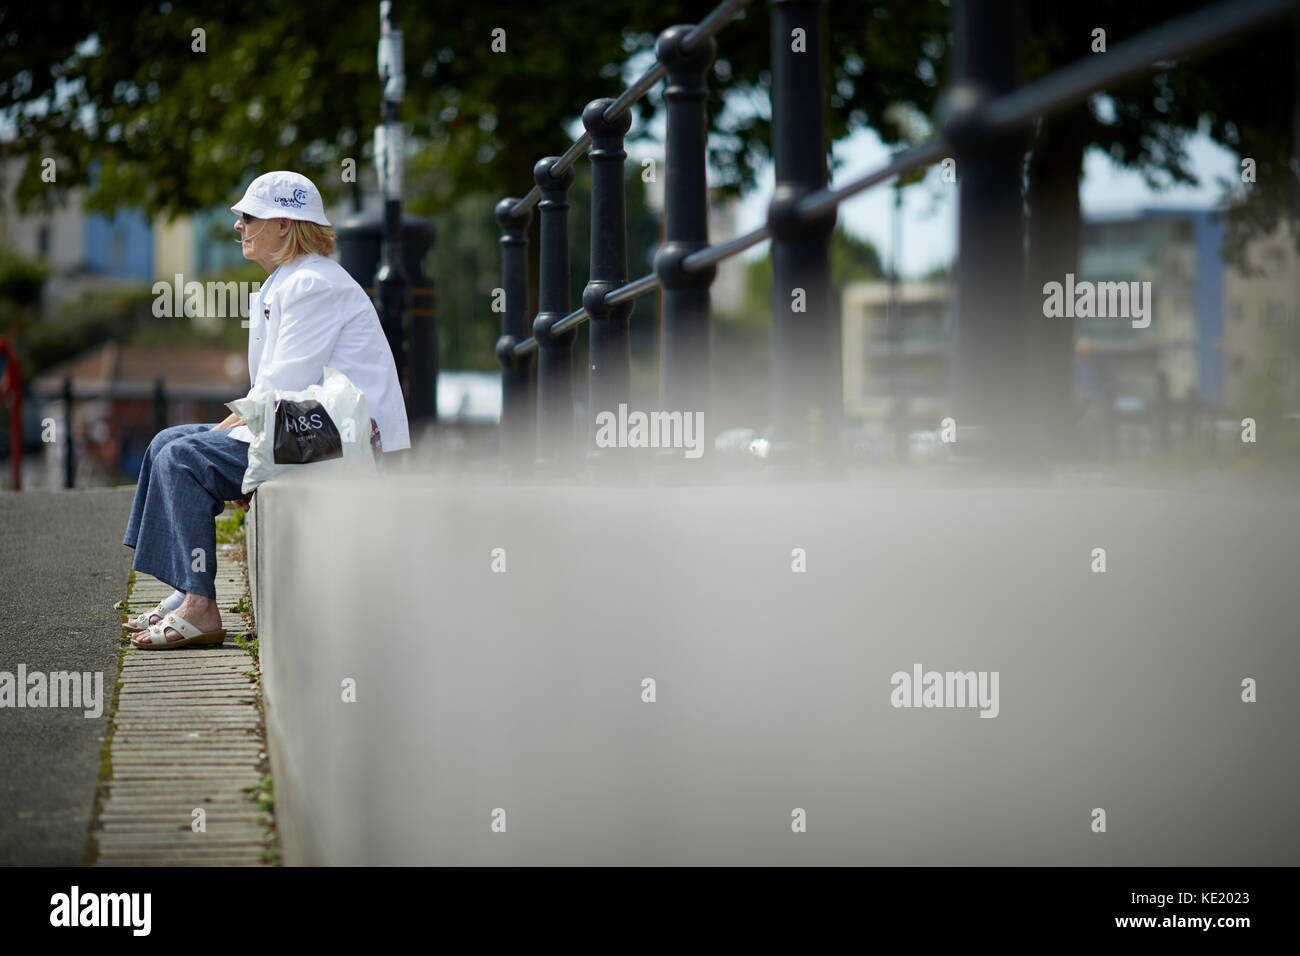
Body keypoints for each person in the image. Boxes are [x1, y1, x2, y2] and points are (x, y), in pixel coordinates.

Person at [122, 171, 409, 648]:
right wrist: (224, 437)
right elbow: (273, 393)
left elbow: (281, 385)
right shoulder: (291, 280)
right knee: (165, 444)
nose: (238, 226)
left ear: (282, 223)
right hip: (311, 423)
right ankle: (184, 588)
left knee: (184, 456)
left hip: (342, 435)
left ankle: (201, 608)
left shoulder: (313, 283)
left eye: (248, 216)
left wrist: (223, 440)